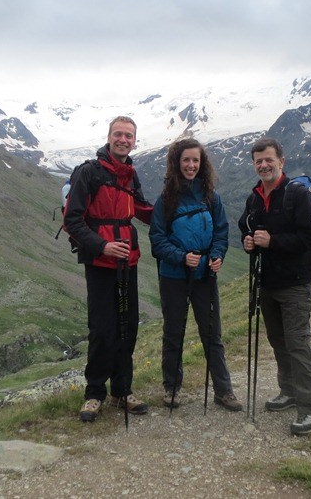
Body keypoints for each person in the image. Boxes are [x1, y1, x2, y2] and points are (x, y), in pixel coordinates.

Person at [63, 115, 153, 422]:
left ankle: (123, 390)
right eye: (119, 134)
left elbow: (142, 210)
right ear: (109, 137)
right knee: (102, 328)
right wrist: (103, 246)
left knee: (128, 326)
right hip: (100, 262)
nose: (123, 140)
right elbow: (72, 220)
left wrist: (177, 211)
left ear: (134, 140)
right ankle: (94, 393)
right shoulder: (90, 172)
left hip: (128, 259)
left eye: (129, 135)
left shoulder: (130, 174)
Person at [238, 137, 311, 435]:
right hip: (268, 283)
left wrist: (272, 241)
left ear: (281, 161)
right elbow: (245, 227)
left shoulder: (297, 195)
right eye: (258, 161)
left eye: (268, 160)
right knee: (278, 341)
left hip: (295, 284)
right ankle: (288, 392)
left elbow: (310, 238)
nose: (263, 165)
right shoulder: (254, 198)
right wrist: (248, 242)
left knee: (298, 344)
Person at [149, 138, 243, 412]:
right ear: (177, 163)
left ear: (202, 165)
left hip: (204, 276)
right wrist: (181, 257)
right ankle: (172, 388)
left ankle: (223, 391)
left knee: (212, 333)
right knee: (173, 333)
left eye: (195, 161)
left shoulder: (211, 197)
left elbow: (221, 232)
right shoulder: (166, 200)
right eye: (186, 160)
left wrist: (217, 255)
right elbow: (157, 239)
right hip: (174, 276)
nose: (191, 165)